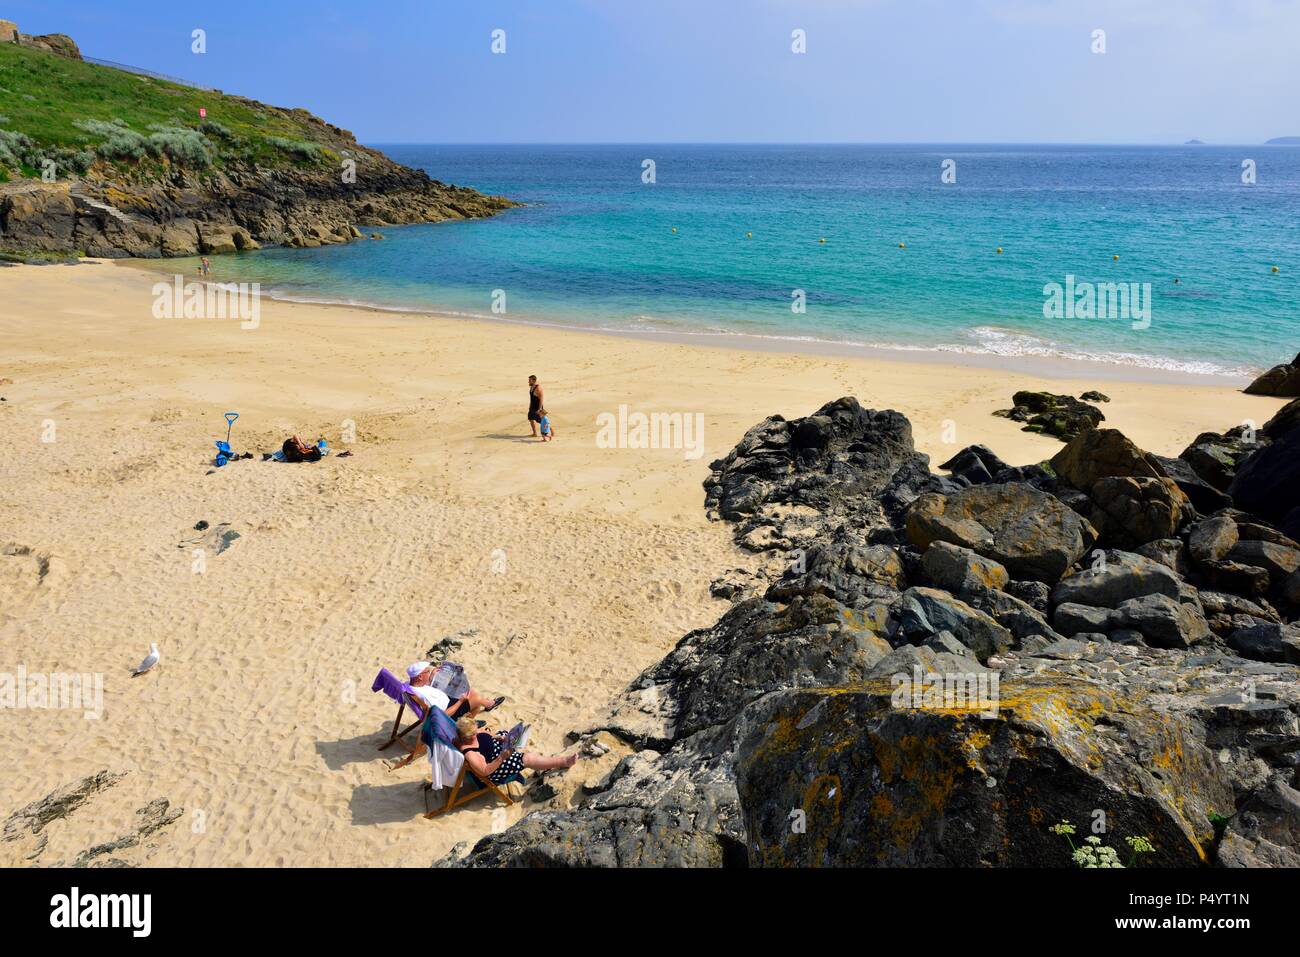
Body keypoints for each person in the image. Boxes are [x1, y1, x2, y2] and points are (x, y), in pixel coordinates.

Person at [455, 715, 575, 786]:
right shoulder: (470, 753)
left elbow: (483, 732)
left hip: (498, 747)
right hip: (496, 765)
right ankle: (564, 761)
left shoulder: (467, 734)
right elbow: (485, 771)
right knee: (526, 758)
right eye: (474, 733)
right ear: (466, 737)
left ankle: (516, 759)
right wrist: (501, 757)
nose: (478, 732)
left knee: (508, 734)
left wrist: (498, 737)